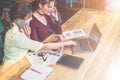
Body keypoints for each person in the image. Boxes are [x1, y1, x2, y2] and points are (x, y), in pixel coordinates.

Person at [1, 2, 76, 70]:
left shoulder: (19, 26)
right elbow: (43, 46)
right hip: (12, 69)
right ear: (19, 19)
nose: (31, 19)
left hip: (22, 61)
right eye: (28, 17)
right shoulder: (15, 34)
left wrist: (28, 36)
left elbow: (26, 44)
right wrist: (65, 43)